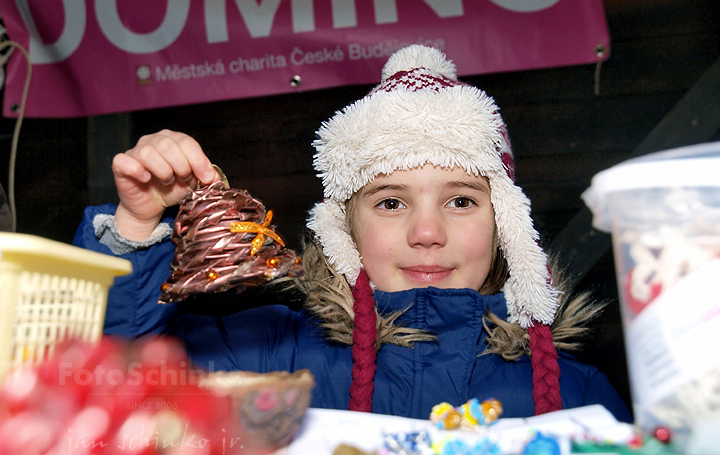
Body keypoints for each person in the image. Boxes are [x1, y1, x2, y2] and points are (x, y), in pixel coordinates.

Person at [74, 45, 632, 423]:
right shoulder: (266, 353)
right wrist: (137, 227)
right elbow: (101, 383)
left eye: (461, 200)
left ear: (505, 224)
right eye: (391, 203)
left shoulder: (576, 396)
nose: (428, 232)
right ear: (346, 229)